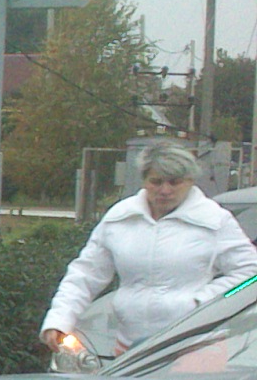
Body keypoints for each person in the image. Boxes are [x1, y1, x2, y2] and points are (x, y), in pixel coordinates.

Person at [41, 140, 257, 356]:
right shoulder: (120, 217)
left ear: (190, 181)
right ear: (143, 180)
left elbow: (250, 273)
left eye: (174, 182)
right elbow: (85, 274)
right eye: (156, 181)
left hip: (196, 345)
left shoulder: (214, 220)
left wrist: (202, 302)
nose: (165, 190)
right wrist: (59, 320)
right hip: (130, 347)